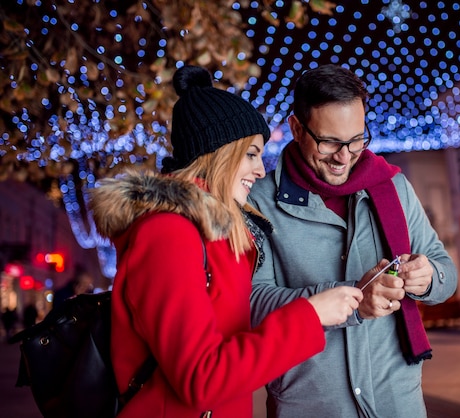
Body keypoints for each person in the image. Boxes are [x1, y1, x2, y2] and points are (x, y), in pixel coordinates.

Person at [88, 65, 364, 418]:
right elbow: (201, 381)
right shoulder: (167, 235)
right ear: (218, 155)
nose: (261, 170)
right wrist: (311, 314)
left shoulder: (216, 235)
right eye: (250, 154)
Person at [249, 64, 458, 417]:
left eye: (357, 139)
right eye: (330, 141)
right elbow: (252, 305)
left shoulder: (394, 187)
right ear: (297, 128)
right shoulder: (259, 202)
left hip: (398, 402)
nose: (344, 156)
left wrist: (427, 278)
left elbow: (446, 275)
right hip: (309, 405)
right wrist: (351, 299)